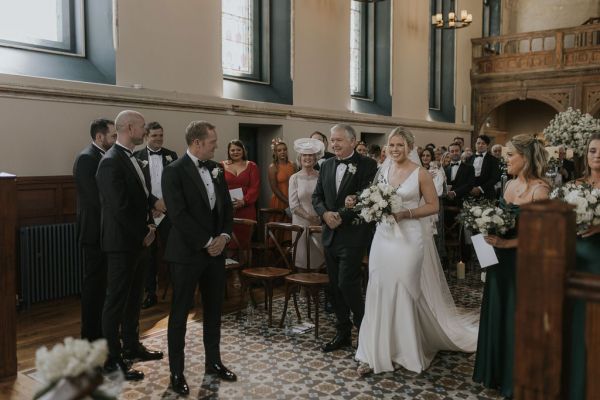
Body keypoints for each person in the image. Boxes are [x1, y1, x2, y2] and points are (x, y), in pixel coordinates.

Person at [355, 127, 478, 375]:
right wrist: (371, 207)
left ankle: (404, 350)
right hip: (384, 237)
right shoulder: (384, 170)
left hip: (410, 238)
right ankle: (374, 350)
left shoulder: (420, 173)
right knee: (379, 287)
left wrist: (406, 213)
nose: (395, 149)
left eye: (400, 145)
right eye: (391, 145)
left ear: (410, 147)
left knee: (405, 287)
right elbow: (373, 198)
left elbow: (433, 206)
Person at [162, 121, 236, 396]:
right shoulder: (174, 172)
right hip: (187, 254)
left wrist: (224, 238)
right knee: (179, 315)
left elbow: (226, 209)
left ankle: (213, 362)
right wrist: (207, 242)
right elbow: (178, 215)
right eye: (212, 141)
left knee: (214, 310)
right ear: (196, 142)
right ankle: (176, 373)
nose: (216, 145)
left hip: (215, 254)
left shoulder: (216, 169)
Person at [473, 134, 550, 398]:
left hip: (522, 262)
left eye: (509, 155)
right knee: (499, 313)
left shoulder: (540, 190)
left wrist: (507, 245)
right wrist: (484, 225)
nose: (505, 160)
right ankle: (496, 373)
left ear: (525, 158)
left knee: (516, 318)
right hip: (499, 262)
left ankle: (517, 378)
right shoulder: (508, 185)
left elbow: (543, 235)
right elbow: (501, 219)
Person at [95, 110, 164, 381]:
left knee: (134, 298)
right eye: (143, 126)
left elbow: (139, 195)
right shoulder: (110, 161)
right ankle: (112, 360)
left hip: (138, 241)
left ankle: (132, 346)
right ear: (130, 127)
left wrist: (154, 205)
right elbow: (120, 207)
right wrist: (144, 232)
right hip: (122, 243)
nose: (145, 130)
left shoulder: (132, 157)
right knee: (116, 301)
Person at [312, 124, 378, 353]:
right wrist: (325, 214)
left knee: (347, 284)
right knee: (334, 287)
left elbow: (367, 197)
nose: (334, 144)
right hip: (330, 234)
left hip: (353, 235)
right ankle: (342, 332)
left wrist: (341, 215)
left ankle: (364, 329)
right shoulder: (327, 164)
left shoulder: (367, 165)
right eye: (332, 140)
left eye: (339, 140)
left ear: (353, 141)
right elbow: (317, 196)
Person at [73, 118, 116, 341]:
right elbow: (93, 200)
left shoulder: (105, 156)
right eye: (113, 136)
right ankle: (90, 335)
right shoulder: (86, 158)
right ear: (100, 137)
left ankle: (103, 331)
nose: (115, 140)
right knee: (93, 286)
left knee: (104, 285)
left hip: (106, 230)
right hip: (94, 231)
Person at [568, 133, 600, 400]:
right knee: (575, 317)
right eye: (592, 150)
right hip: (576, 255)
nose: (596, 155)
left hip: (598, 256)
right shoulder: (575, 185)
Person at [134, 121, 178, 310]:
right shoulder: (137, 157)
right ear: (146, 137)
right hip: (149, 212)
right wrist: (153, 204)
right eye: (154, 135)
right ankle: (150, 293)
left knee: (174, 252)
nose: (158, 138)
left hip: (168, 212)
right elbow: (138, 187)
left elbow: (176, 184)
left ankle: (178, 292)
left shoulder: (172, 155)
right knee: (149, 256)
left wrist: (165, 204)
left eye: (161, 135)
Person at [289, 138, 324, 269]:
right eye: (304, 155)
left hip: (319, 221)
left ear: (315, 158)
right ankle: (302, 288)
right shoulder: (294, 178)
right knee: (301, 258)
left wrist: (320, 218)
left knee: (319, 256)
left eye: (310, 155)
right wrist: (310, 218)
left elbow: (325, 199)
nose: (307, 158)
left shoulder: (321, 176)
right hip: (300, 223)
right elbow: (293, 205)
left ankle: (317, 287)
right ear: (300, 157)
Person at [221, 140, 260, 250]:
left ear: (243, 151)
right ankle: (230, 266)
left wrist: (244, 201)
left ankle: (245, 265)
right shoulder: (221, 165)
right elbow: (218, 187)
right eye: (232, 150)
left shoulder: (252, 166)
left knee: (244, 243)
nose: (235, 152)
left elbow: (255, 187)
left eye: (238, 149)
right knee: (228, 241)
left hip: (246, 209)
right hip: (228, 208)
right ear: (228, 151)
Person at [468, 135, 501, 200]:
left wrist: (480, 189)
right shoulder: (469, 159)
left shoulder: (493, 160)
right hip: (470, 193)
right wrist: (470, 188)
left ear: (487, 145)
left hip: (487, 194)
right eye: (478, 143)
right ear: (475, 144)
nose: (480, 145)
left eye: (483, 143)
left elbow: (495, 178)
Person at [268, 138, 296, 214]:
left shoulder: (293, 165)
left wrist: (294, 200)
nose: (282, 152)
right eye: (279, 150)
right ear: (275, 153)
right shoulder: (272, 167)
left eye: (284, 149)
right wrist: (287, 201)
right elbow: (274, 188)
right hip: (279, 200)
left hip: (293, 198)